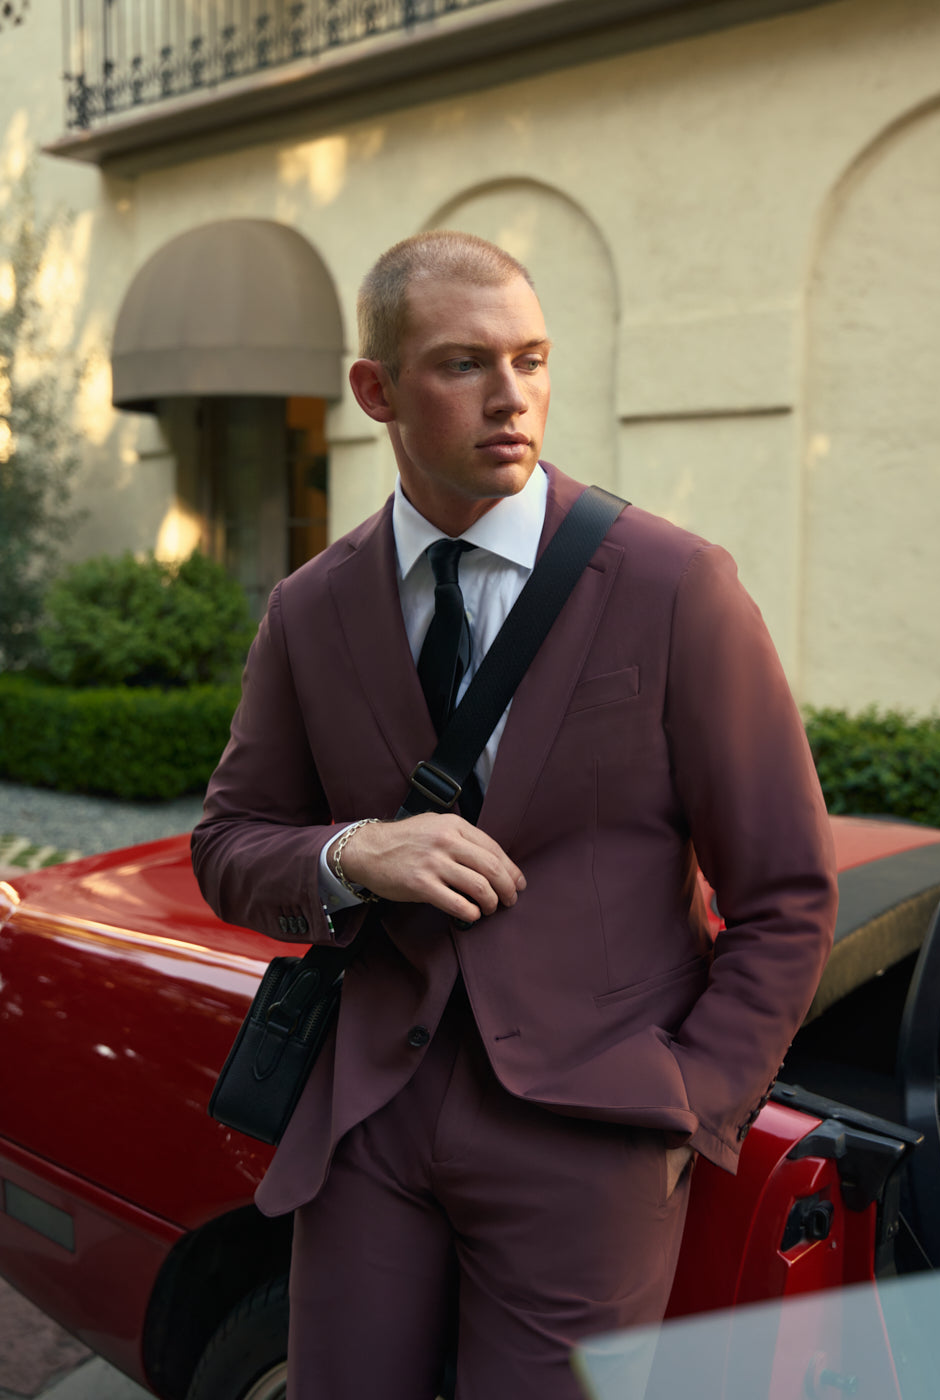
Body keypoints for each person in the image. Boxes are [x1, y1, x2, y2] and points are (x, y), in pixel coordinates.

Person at [191, 231, 837, 1400]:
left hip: (592, 1125)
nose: (511, 396)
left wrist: (685, 1101)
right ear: (376, 390)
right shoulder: (310, 607)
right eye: (463, 364)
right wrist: (350, 853)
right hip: (370, 1119)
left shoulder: (671, 583)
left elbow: (787, 892)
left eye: (531, 359)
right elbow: (229, 843)